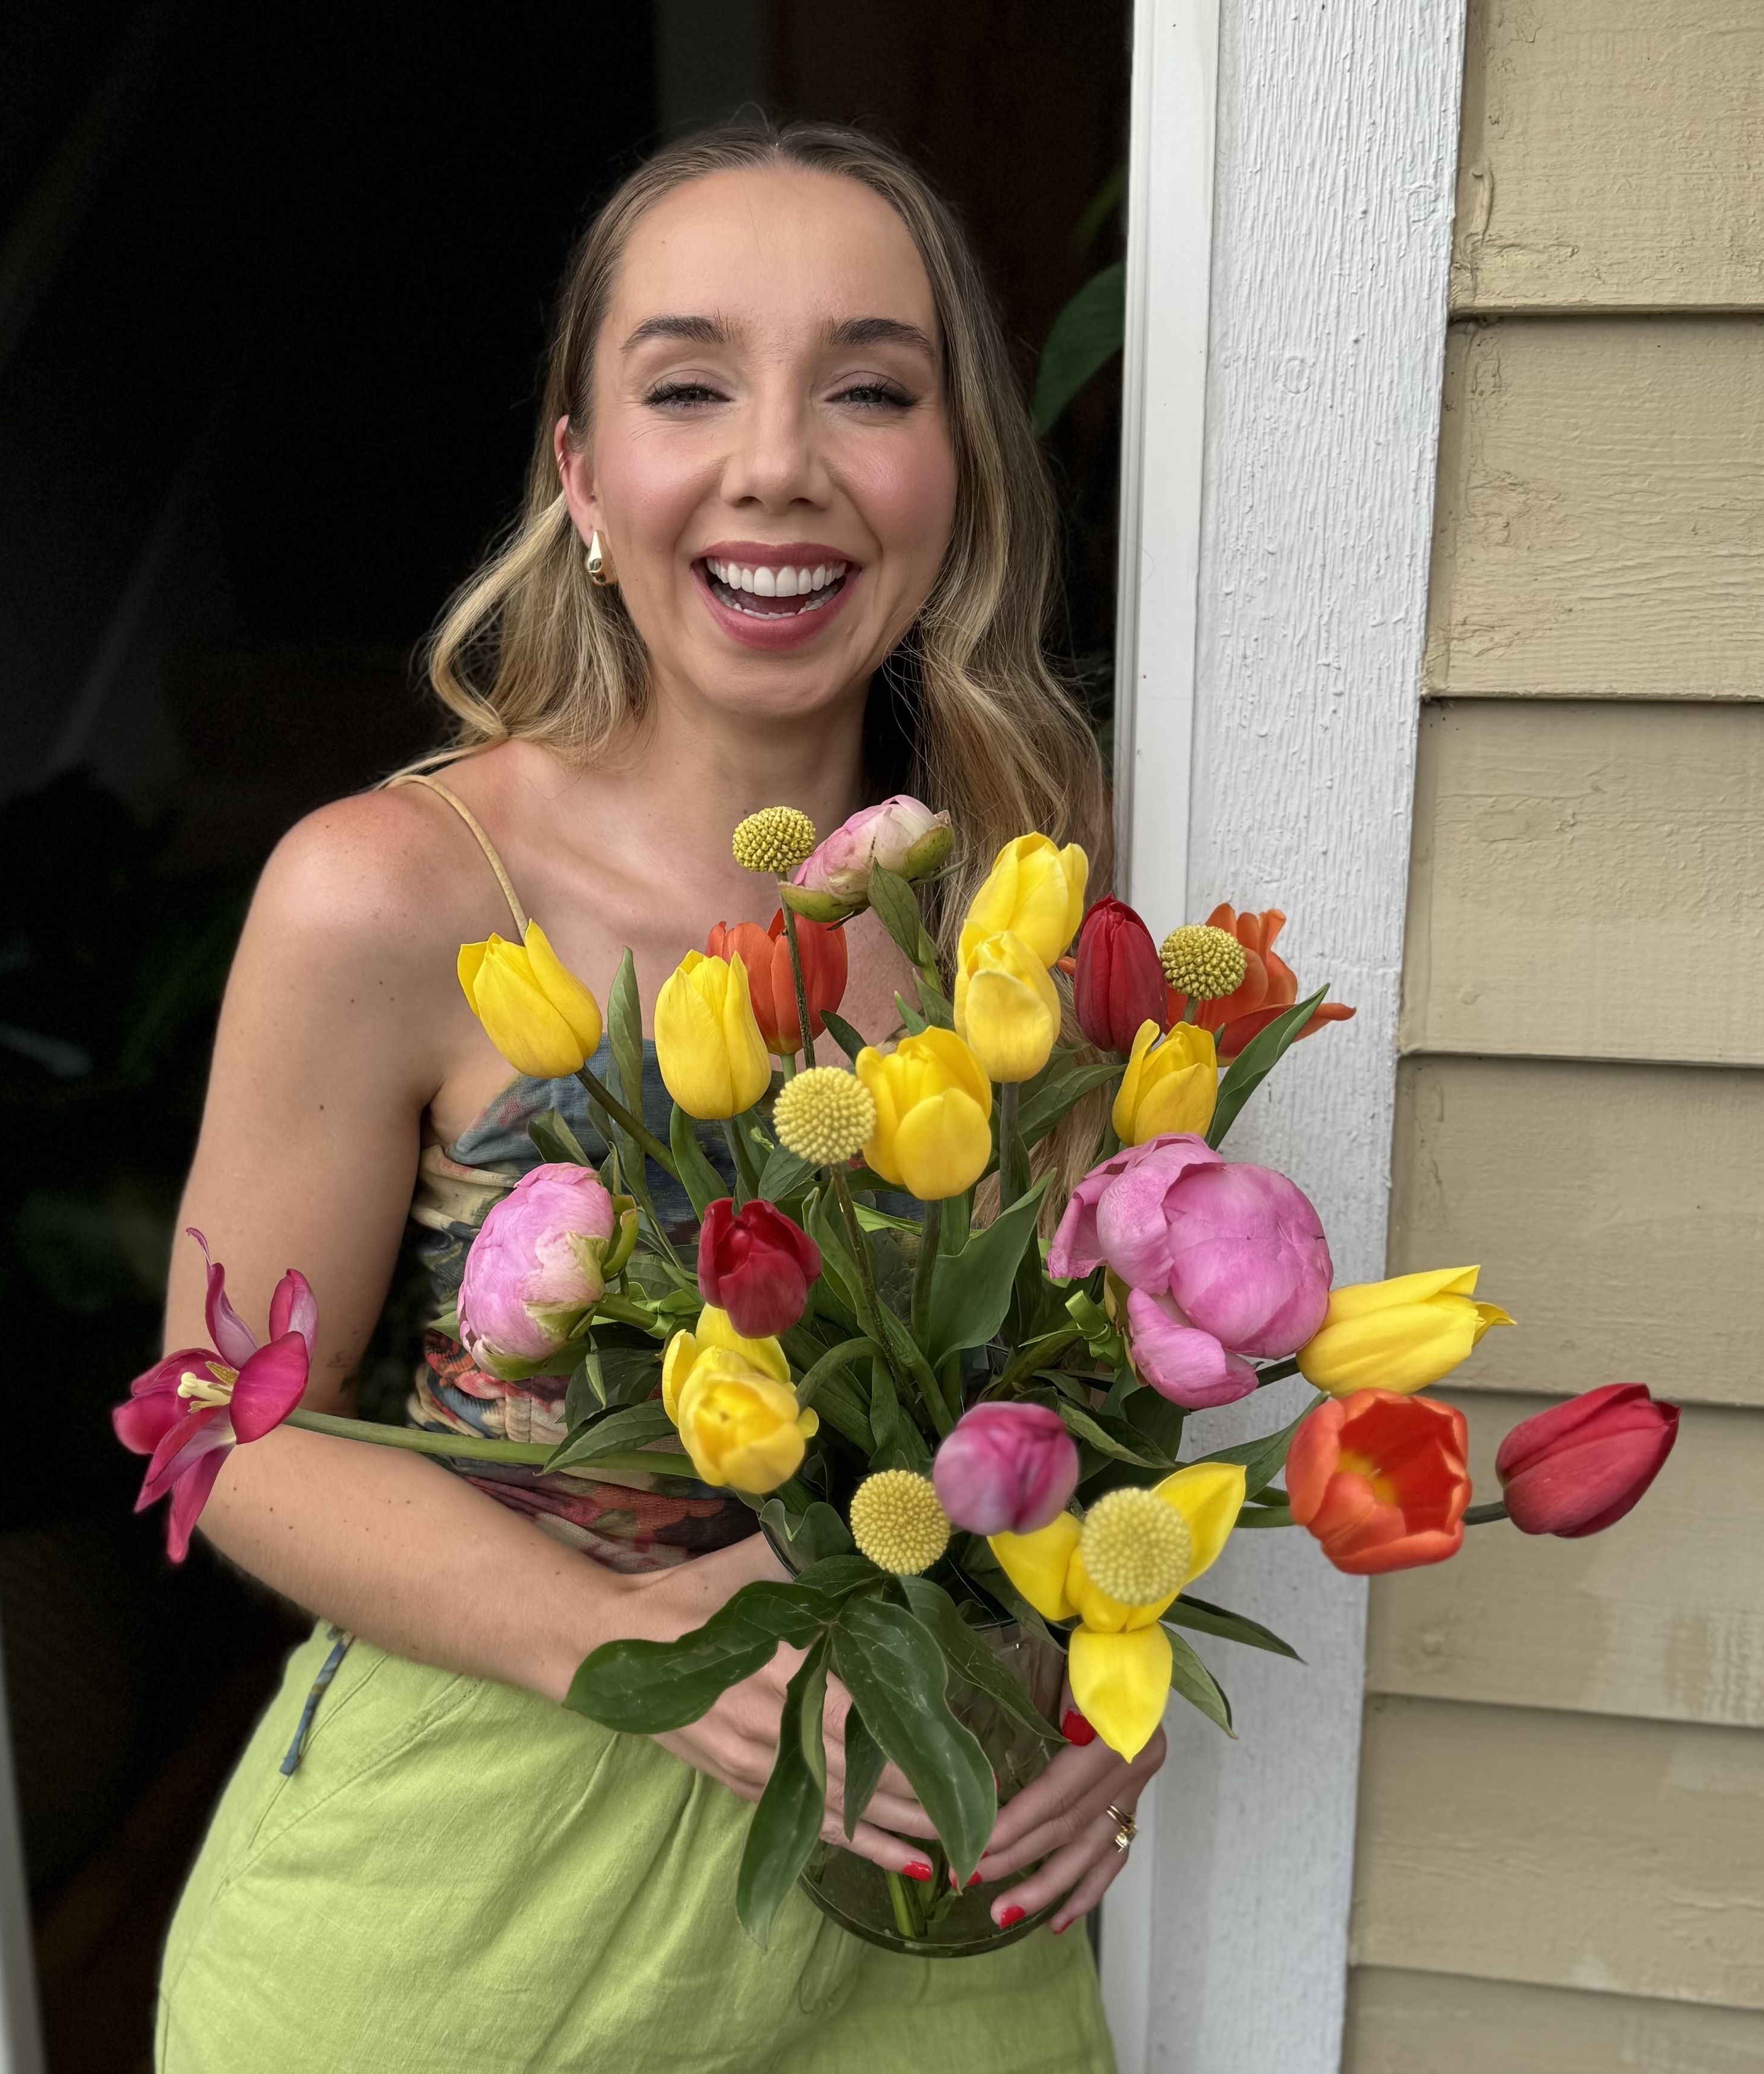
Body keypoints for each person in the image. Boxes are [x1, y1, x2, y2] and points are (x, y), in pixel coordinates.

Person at [156, 120, 1161, 2073]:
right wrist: (641, 1644)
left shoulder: (1031, 882)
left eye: (871, 388)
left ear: (956, 478)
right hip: (457, 1927)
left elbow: (1083, 1394)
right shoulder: (396, 892)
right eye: (688, 384)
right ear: (580, 472)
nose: (776, 459)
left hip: (929, 1917)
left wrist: (1097, 1686)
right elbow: (219, 1433)